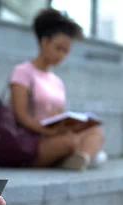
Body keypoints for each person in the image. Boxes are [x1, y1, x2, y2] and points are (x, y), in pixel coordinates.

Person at [8, 8, 106, 171]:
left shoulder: (57, 81)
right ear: (45, 42)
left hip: (54, 135)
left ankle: (82, 158)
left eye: (66, 51)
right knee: (68, 142)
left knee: (95, 132)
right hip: (32, 140)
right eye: (58, 48)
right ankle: (81, 157)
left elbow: (60, 115)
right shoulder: (22, 72)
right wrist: (47, 131)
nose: (61, 55)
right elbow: (21, 115)